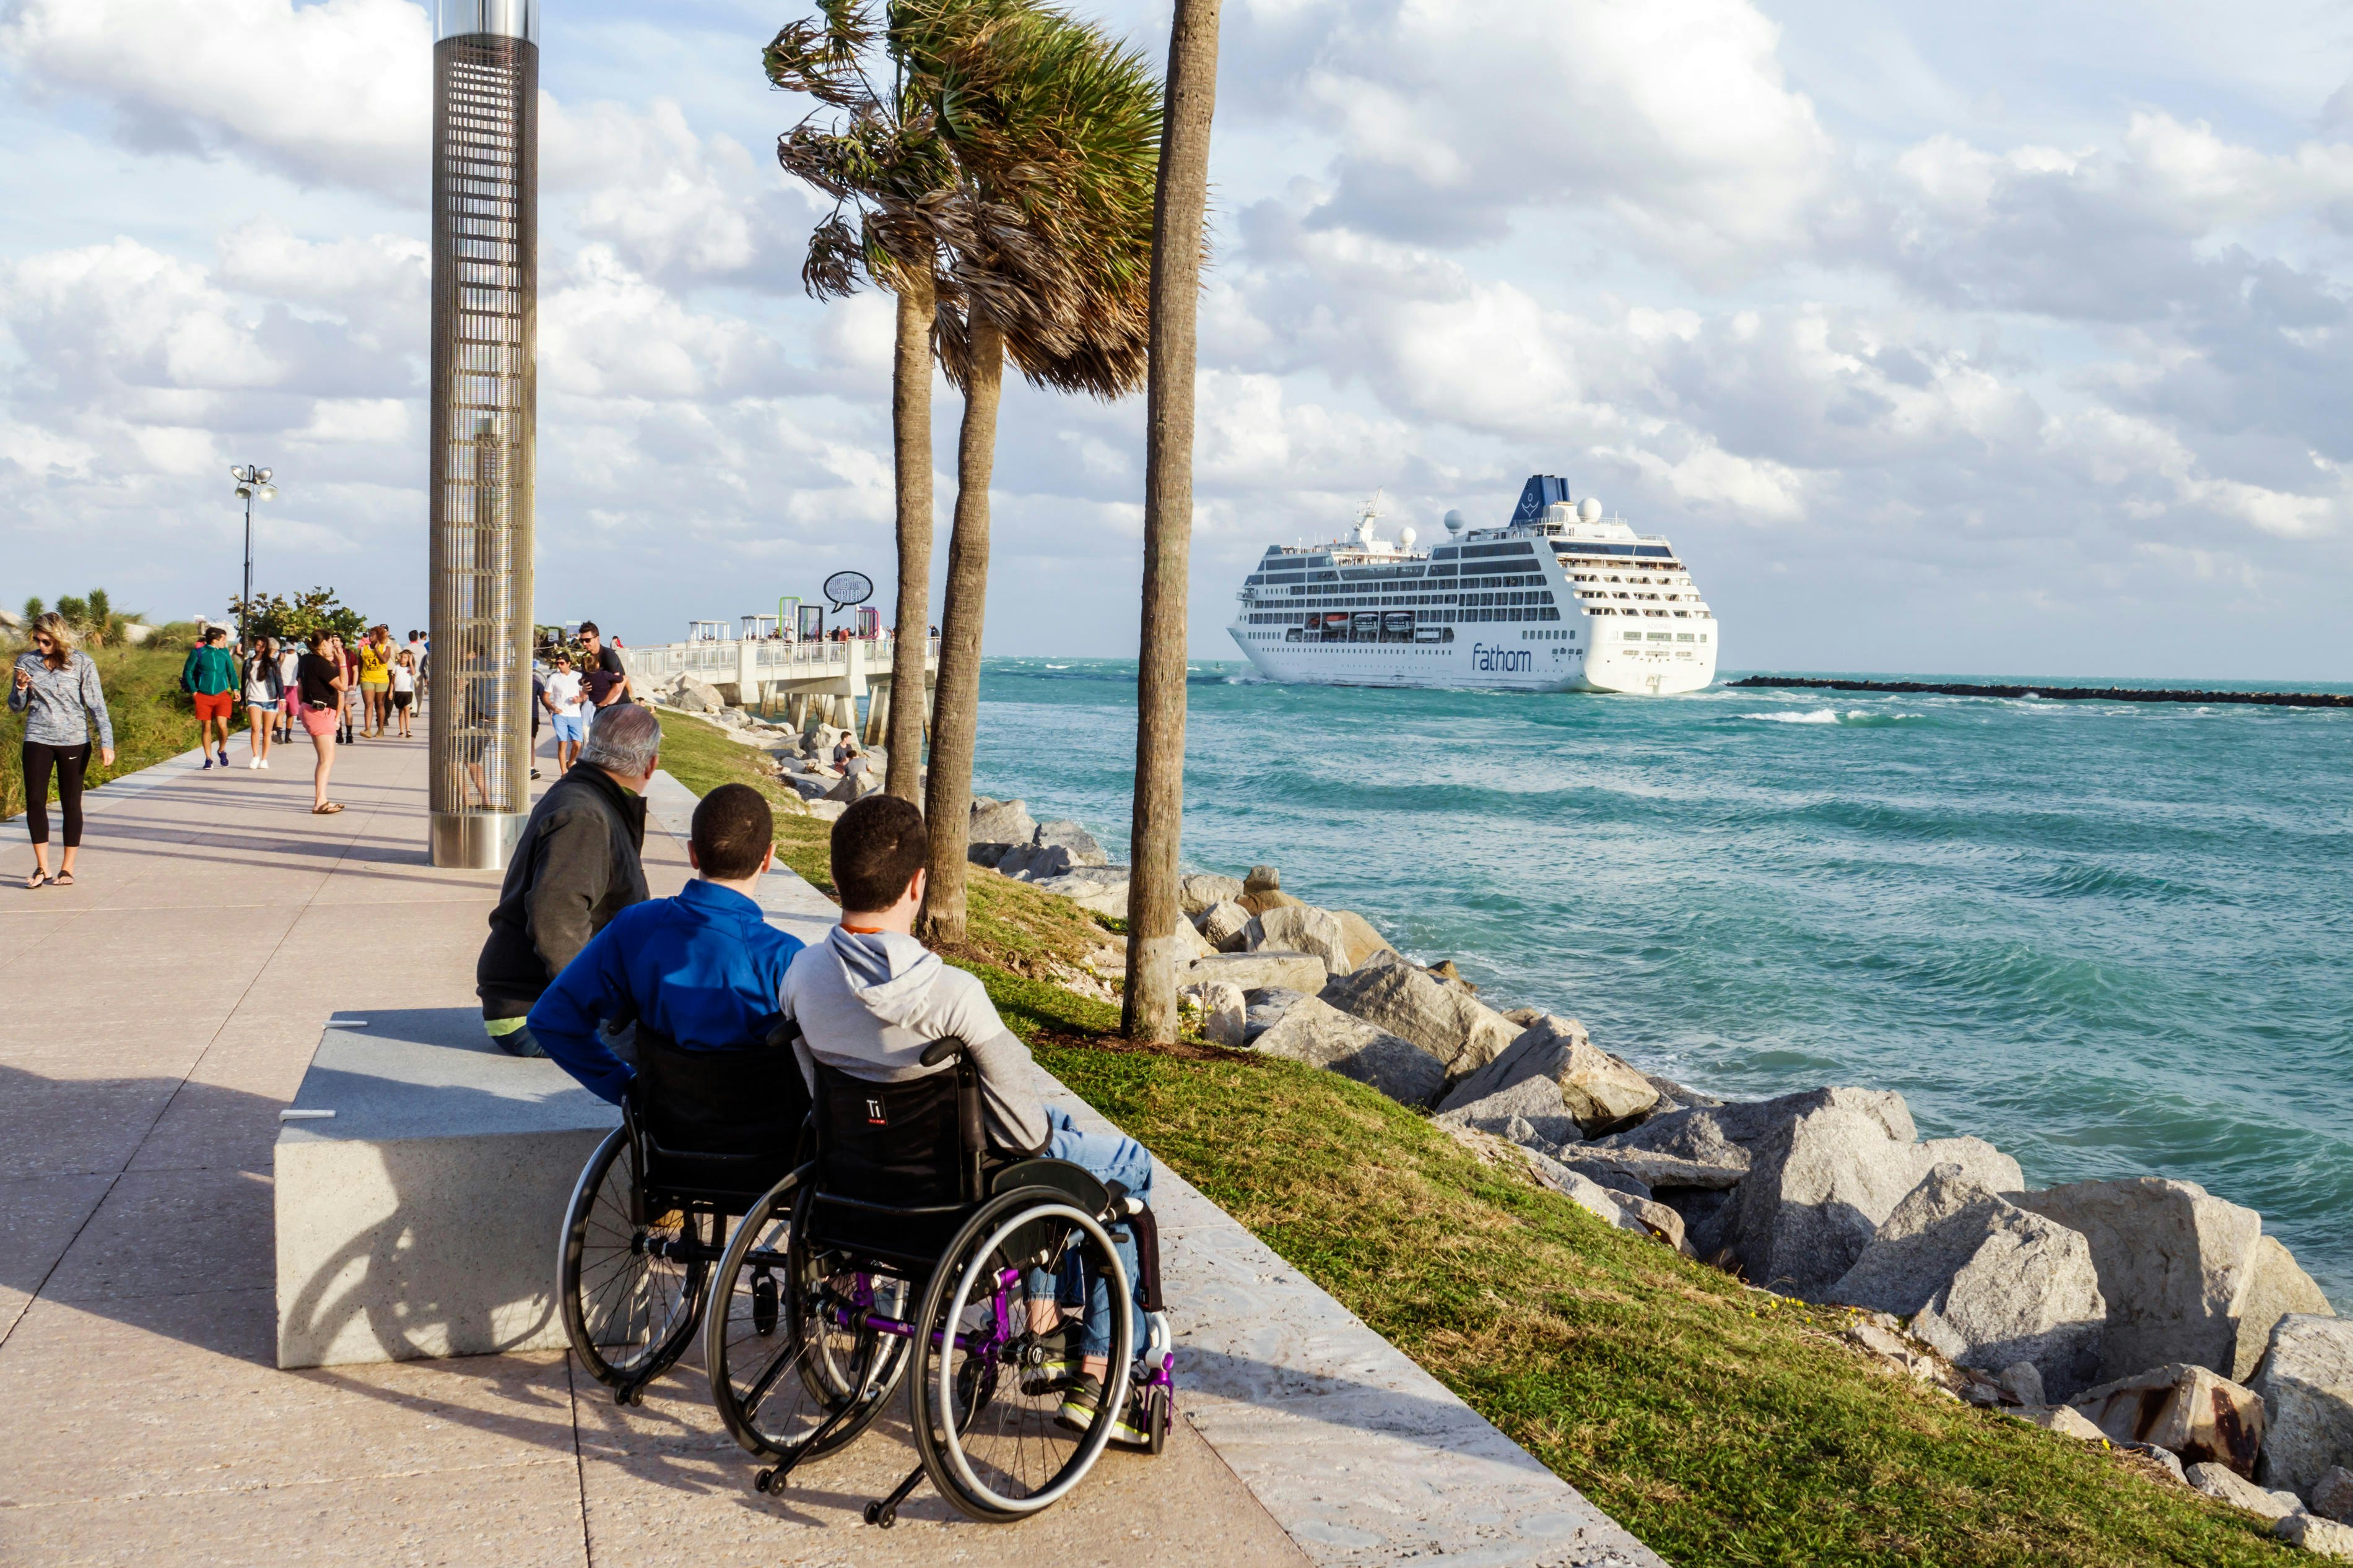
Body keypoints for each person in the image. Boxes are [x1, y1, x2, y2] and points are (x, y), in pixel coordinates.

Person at [783, 794, 1159, 1445]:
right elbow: (1025, 1135)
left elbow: (823, 1099)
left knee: (1056, 1128)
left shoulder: (801, 977)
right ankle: (1099, 1372)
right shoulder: (954, 997)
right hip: (958, 1200)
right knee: (1128, 1166)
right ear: (918, 884)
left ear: (839, 878)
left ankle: (1046, 1316)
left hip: (860, 1186)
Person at [528, 784, 802, 1113]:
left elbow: (551, 1019)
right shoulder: (786, 956)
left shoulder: (635, 926)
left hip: (663, 1123)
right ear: (768, 857)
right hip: (765, 1132)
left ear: (693, 853)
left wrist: (623, 1086)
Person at [475, 703, 661, 1057]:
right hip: (534, 1014)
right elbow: (556, 915)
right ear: (650, 765)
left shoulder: (589, 797)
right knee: (694, 1047)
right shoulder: (584, 815)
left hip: (548, 1000)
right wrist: (601, 1003)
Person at [10, 611, 115, 888]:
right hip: (37, 737)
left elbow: (97, 705)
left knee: (71, 802)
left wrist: (107, 742)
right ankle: (42, 867)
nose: (41, 645)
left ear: (59, 638)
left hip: (74, 740)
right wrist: (20, 688)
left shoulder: (82, 662)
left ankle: (67, 869)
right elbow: (16, 707)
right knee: (35, 800)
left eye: (46, 641)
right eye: (37, 640)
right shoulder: (26, 662)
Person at [295, 630, 348, 814]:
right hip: (319, 712)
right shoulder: (320, 663)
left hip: (312, 710)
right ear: (324, 643)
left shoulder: (307, 659)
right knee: (327, 759)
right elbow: (343, 686)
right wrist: (342, 663)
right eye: (331, 642)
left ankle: (322, 799)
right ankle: (319, 802)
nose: (334, 645)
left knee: (325, 758)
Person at [181, 627, 239, 769]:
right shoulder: (198, 653)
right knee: (206, 727)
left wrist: (235, 688)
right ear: (215, 640)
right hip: (203, 695)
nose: (225, 642)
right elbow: (188, 671)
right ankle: (208, 758)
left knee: (222, 725)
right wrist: (194, 691)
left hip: (222, 695)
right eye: (224, 639)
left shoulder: (224, 653)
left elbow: (231, 671)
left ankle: (222, 750)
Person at [241, 636, 284, 768]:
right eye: (258, 645)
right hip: (253, 699)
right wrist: (242, 701)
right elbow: (244, 683)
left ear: (266, 648)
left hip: (270, 700)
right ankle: (255, 756)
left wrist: (282, 698)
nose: (259, 648)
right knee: (255, 728)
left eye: (262, 646)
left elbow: (279, 681)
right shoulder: (248, 663)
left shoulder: (273, 662)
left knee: (267, 731)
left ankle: (264, 759)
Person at [576, 622, 630, 723]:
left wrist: (602, 704)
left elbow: (618, 687)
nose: (584, 644)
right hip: (601, 709)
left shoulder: (609, 655)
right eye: (581, 640)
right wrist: (583, 685)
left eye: (587, 640)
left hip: (619, 708)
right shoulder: (586, 658)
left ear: (597, 638)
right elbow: (584, 680)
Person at [543, 652, 586, 773]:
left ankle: (570, 762)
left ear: (569, 663)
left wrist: (579, 699)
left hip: (575, 715)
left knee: (578, 744)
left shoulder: (578, 676)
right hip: (560, 715)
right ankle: (563, 772)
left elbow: (584, 694)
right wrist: (553, 708)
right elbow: (545, 697)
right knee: (562, 743)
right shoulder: (553, 678)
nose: (559, 666)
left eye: (562, 663)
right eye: (557, 663)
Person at [357, 626, 394, 737]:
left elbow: (384, 660)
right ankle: (367, 729)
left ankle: (380, 729)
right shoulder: (363, 649)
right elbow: (360, 665)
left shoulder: (386, 648)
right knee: (369, 703)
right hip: (367, 678)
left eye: (373, 635)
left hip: (382, 680)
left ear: (379, 636)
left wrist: (377, 650)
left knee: (380, 704)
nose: (370, 637)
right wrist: (358, 680)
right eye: (370, 635)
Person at [274, 638, 302, 744]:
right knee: (280, 712)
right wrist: (281, 660)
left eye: (293, 643)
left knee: (291, 713)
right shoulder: (280, 655)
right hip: (281, 686)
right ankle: (279, 736)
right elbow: (275, 670)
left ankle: (287, 737)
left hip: (294, 687)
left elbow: (301, 672)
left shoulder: (299, 657)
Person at [390, 649, 417, 738]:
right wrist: (391, 692)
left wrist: (411, 662)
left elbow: (414, 673)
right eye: (401, 657)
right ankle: (401, 731)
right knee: (401, 712)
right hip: (399, 692)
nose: (402, 659)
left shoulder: (410, 668)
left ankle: (408, 730)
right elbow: (392, 681)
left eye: (405, 658)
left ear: (408, 659)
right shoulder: (396, 668)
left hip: (408, 692)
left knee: (407, 711)